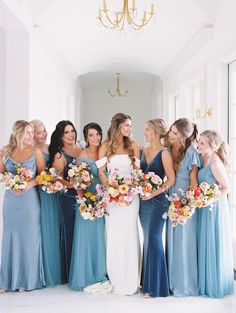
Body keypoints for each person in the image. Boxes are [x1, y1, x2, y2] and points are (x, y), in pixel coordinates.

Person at [97, 113, 141, 295]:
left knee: (130, 234)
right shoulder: (105, 146)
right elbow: (101, 172)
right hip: (112, 198)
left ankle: (132, 278)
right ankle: (116, 276)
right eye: (127, 126)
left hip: (131, 198)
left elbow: (138, 171)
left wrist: (130, 188)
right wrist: (111, 189)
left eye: (131, 126)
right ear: (117, 127)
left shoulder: (133, 145)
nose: (130, 129)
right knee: (114, 234)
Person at [0, 120, 45, 292]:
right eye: (27, 132)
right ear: (18, 133)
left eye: (31, 132)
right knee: (10, 236)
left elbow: (43, 176)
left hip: (29, 200)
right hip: (11, 200)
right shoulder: (7, 150)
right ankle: (7, 280)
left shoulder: (36, 151)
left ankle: (28, 280)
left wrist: (28, 185)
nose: (30, 135)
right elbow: (2, 173)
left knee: (29, 236)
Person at [69, 122, 108, 292]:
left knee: (101, 235)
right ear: (86, 138)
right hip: (86, 200)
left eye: (97, 134)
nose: (95, 138)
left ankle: (101, 273)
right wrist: (83, 201)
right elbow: (78, 182)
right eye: (91, 135)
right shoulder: (82, 156)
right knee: (85, 237)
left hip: (103, 199)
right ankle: (85, 275)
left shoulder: (104, 152)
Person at [139, 118, 175, 297]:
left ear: (154, 131)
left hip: (158, 202)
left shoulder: (164, 153)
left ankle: (157, 287)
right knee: (147, 239)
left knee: (154, 239)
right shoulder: (142, 150)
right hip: (143, 203)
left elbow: (171, 179)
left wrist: (153, 193)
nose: (144, 132)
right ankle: (148, 283)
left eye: (146, 129)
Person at [166, 118, 201, 297]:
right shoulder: (173, 149)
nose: (170, 135)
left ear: (182, 135)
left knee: (184, 243)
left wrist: (187, 206)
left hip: (185, 203)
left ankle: (185, 283)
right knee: (172, 242)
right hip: (171, 200)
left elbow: (194, 183)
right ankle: (172, 281)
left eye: (173, 132)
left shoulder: (192, 153)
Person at [197, 130, 234, 297]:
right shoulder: (202, 157)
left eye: (202, 143)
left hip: (214, 208)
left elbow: (226, 188)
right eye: (199, 141)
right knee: (204, 241)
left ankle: (215, 284)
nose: (199, 145)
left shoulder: (215, 164)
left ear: (212, 147)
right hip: (203, 206)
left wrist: (209, 200)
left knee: (212, 242)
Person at [48, 120, 81, 284]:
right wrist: (74, 185)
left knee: (81, 234)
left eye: (72, 131)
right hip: (67, 199)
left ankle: (80, 268)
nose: (71, 134)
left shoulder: (80, 148)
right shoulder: (60, 155)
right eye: (66, 132)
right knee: (69, 234)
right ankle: (68, 273)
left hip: (83, 197)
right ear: (61, 136)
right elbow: (57, 179)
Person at [31, 119, 61, 287]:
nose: (44, 134)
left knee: (51, 228)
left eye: (45, 131)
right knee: (38, 230)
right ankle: (37, 270)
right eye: (40, 132)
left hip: (52, 192)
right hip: (36, 192)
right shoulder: (29, 150)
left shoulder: (50, 148)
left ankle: (52, 269)